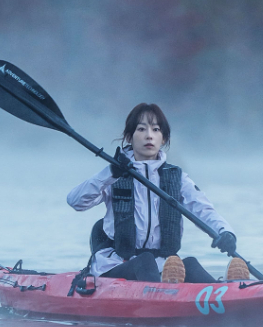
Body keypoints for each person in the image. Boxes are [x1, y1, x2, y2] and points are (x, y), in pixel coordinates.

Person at [66, 103, 249, 283]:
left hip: (163, 265)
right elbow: (76, 201)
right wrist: (110, 173)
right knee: (144, 261)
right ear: (129, 137)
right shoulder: (114, 174)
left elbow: (203, 210)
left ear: (163, 138)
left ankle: (225, 292)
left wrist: (225, 232)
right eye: (141, 129)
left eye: (155, 130)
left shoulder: (177, 178)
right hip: (114, 265)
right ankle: (165, 295)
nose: (149, 136)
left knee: (190, 264)